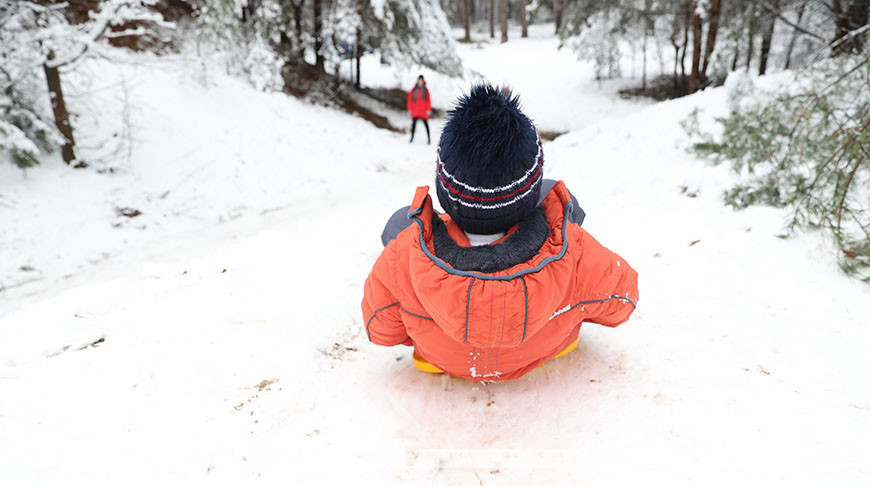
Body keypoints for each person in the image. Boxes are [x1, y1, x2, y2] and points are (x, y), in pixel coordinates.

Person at [362, 84, 639, 381]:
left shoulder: (403, 255)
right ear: (531, 189)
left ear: (445, 187)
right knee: (561, 199)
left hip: (445, 359)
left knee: (402, 222)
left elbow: (380, 330)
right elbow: (624, 301)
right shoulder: (576, 249)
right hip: (543, 348)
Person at [406, 75, 432, 144]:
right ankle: (411, 138)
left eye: (421, 81)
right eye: (419, 80)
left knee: (426, 125)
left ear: (423, 81)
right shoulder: (413, 89)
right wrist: (409, 109)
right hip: (415, 111)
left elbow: (428, 100)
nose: (420, 82)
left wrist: (428, 109)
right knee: (413, 126)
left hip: (423, 111)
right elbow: (409, 100)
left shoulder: (426, 90)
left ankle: (429, 139)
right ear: (417, 81)